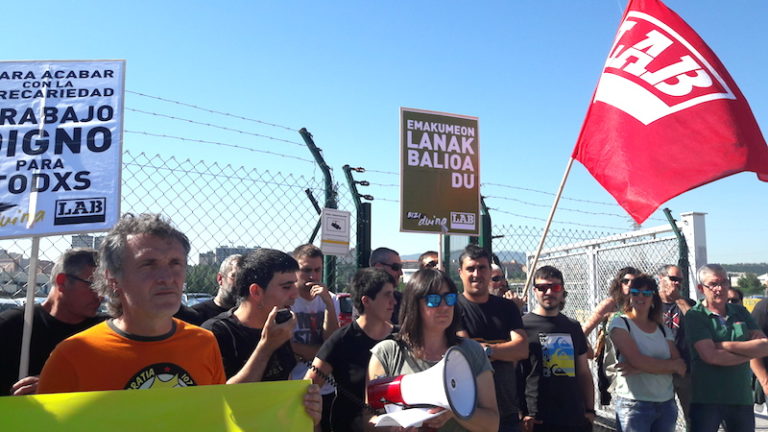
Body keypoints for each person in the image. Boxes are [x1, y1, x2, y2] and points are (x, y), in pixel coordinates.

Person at [36, 214, 320, 424]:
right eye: (148, 264)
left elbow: (219, 418)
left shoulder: (202, 342)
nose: (167, 277)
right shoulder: (73, 356)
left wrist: (298, 407)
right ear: (113, 279)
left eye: (176, 264)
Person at [367, 268, 500, 431]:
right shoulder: (387, 353)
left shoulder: (472, 352)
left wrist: (454, 412)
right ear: (414, 304)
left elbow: (492, 424)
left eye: (450, 298)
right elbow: (368, 418)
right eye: (434, 300)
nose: (444, 307)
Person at [0, 248, 104, 396]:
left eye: (105, 288)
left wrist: (58, 383)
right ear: (62, 281)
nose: (101, 296)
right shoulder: (12, 327)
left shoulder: (105, 330)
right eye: (94, 286)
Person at [305, 268, 397, 432]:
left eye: (393, 294)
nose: (394, 301)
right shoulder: (341, 340)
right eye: (387, 295)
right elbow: (309, 385)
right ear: (366, 301)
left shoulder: (400, 337)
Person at [685, 263, 768, 432]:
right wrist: (748, 351)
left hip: (741, 398)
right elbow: (711, 356)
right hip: (707, 400)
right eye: (714, 284)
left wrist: (724, 345)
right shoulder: (696, 315)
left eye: (724, 282)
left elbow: (764, 347)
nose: (720, 288)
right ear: (701, 288)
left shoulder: (740, 311)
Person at [456, 245, 527, 432]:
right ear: (460, 273)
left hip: (508, 412)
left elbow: (521, 349)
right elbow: (465, 353)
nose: (476, 274)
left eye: (482, 268)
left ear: (489, 272)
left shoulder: (507, 307)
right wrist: (505, 350)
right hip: (471, 413)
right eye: (470, 268)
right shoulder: (452, 308)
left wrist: (485, 349)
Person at [202, 248, 299, 383]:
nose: (296, 294)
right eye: (287, 287)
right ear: (256, 292)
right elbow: (223, 397)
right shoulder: (216, 333)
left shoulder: (277, 325)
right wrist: (266, 348)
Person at [519, 265, 594, 432]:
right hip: (537, 419)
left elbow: (583, 372)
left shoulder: (573, 326)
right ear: (534, 290)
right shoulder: (522, 326)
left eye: (555, 287)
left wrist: (590, 410)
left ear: (562, 291)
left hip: (574, 417)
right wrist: (521, 413)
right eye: (542, 287)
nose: (548, 292)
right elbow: (516, 373)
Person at [609, 274, 685, 432]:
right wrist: (667, 366)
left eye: (646, 293)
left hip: (666, 404)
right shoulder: (621, 323)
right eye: (635, 292)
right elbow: (637, 359)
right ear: (629, 296)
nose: (640, 297)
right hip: (634, 405)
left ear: (653, 298)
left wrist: (640, 368)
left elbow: (681, 366)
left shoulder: (663, 329)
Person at [289, 244, 340, 432]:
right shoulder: (288, 300)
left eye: (318, 270)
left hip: (325, 387)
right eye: (306, 270)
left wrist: (328, 305)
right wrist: (323, 353)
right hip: (294, 383)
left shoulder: (331, 299)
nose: (313, 276)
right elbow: (285, 346)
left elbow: (332, 340)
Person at [656, 264, 695, 428]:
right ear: (661, 279)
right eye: (673, 279)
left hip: (685, 371)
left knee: (693, 417)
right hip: (660, 370)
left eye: (680, 280)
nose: (677, 283)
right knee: (663, 418)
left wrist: (679, 299)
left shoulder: (687, 304)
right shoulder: (651, 303)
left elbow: (698, 325)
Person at [582, 266, 641, 338]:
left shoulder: (642, 305)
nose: (630, 284)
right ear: (619, 283)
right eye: (626, 281)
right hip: (612, 346)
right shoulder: (609, 304)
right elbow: (585, 330)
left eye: (634, 282)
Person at [191, 254, 242, 321]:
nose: (240, 283)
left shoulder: (250, 318)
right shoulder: (195, 314)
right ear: (220, 279)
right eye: (235, 276)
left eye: (244, 278)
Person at [370, 247, 403, 324]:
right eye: (396, 267)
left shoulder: (402, 299)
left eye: (400, 268)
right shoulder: (364, 299)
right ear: (378, 267)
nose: (400, 273)